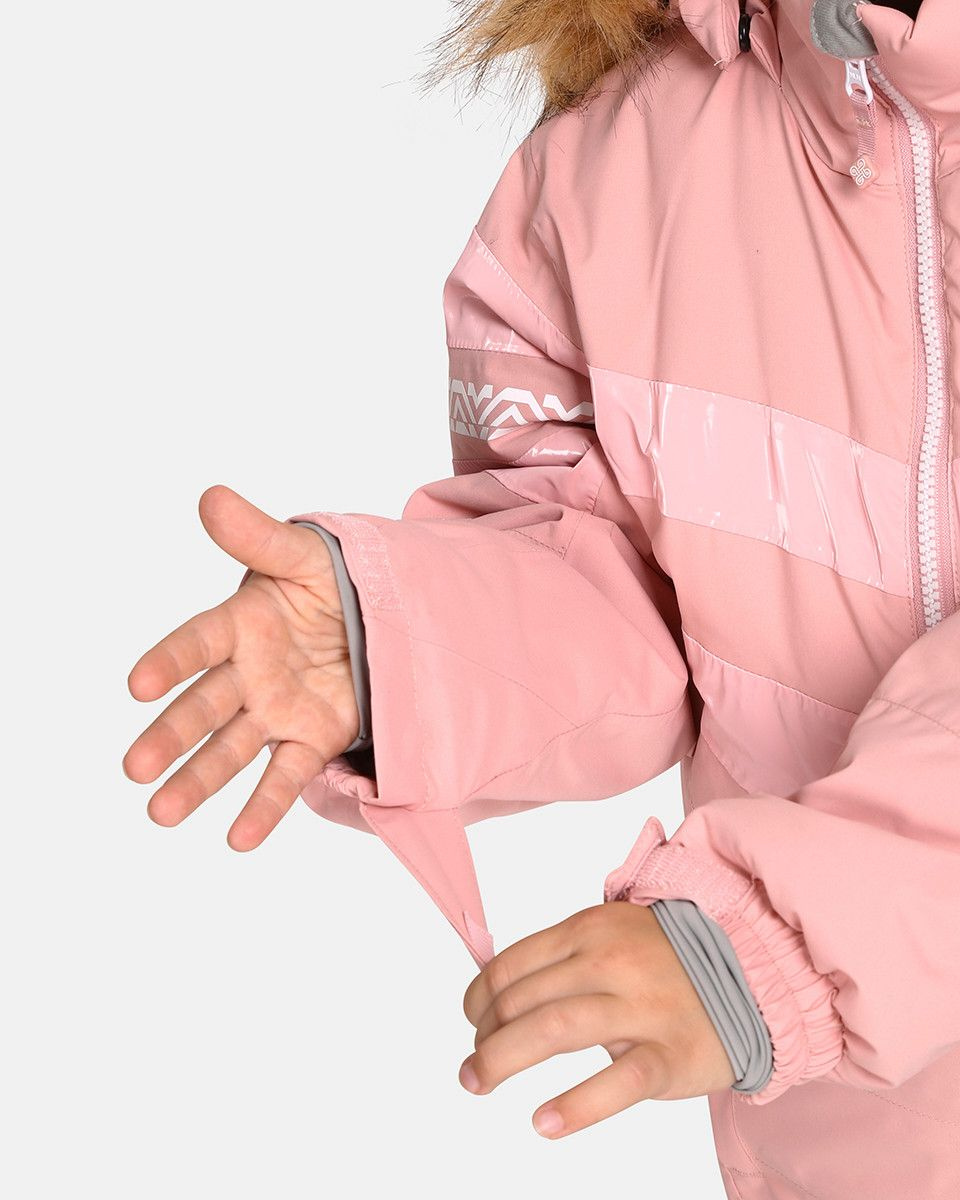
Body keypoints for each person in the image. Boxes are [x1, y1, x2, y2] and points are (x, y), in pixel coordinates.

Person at [122, 0, 960, 1195]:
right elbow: (612, 563)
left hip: (802, 1000)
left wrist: (789, 943)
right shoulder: (624, 150)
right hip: (844, 1142)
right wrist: (400, 646)